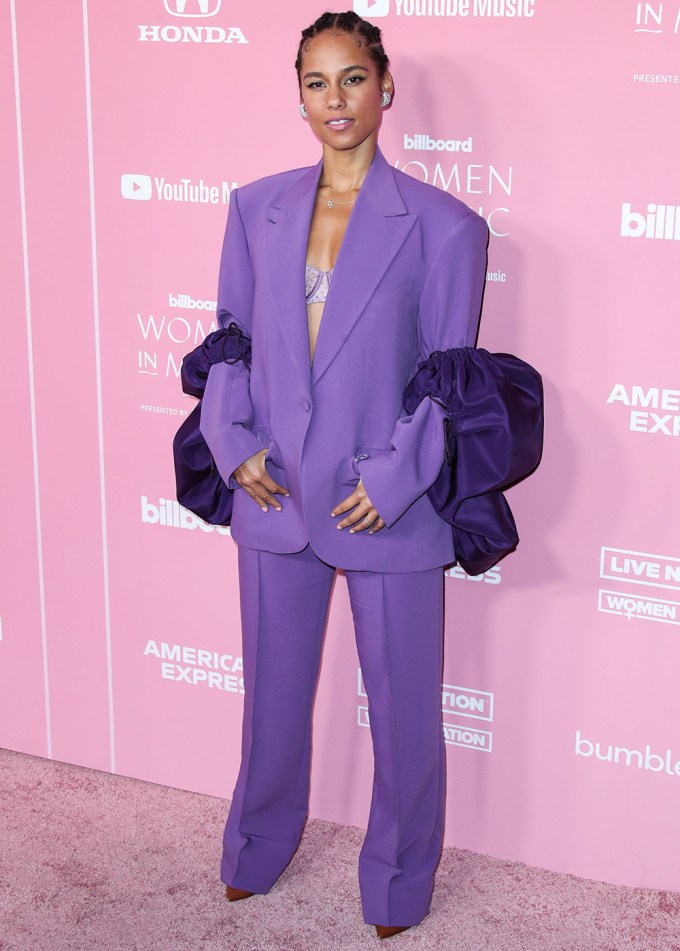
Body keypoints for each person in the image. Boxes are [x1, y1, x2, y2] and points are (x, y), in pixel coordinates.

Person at [199, 10, 491, 940]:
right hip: (274, 490)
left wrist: (399, 477)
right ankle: (256, 848)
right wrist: (232, 438)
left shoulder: (447, 227)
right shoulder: (255, 207)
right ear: (298, 95)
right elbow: (231, 343)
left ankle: (400, 884)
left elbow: (450, 375)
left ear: (386, 88)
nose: (337, 99)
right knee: (270, 696)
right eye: (318, 82)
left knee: (405, 711)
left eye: (353, 79)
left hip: (383, 506)